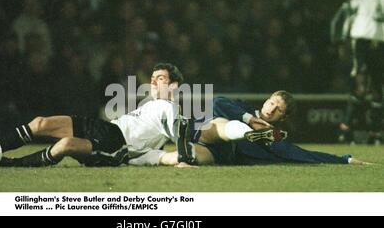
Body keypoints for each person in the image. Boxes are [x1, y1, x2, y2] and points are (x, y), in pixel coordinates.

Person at [0, 63, 187, 167]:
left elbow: (180, 133)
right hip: (106, 127)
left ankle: (5, 163)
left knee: (65, 145)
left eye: (161, 78)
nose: (154, 81)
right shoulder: (151, 104)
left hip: (117, 145)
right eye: (153, 77)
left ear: (174, 86)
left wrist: (183, 158)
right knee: (40, 123)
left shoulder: (170, 108)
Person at [128, 91, 371, 167]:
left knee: (183, 158)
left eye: (279, 110)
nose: (272, 109)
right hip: (200, 129)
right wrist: (247, 118)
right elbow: (218, 102)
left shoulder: (273, 138)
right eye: (272, 102)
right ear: (266, 100)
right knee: (209, 126)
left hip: (217, 153)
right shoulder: (241, 108)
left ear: (283, 118)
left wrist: (345, 160)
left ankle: (129, 159)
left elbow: (301, 154)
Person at [336, 0, 384, 145]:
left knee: (377, 88)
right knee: (361, 87)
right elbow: (344, 17)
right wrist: (342, 40)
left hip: (380, 42)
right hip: (361, 42)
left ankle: (376, 132)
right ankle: (345, 129)